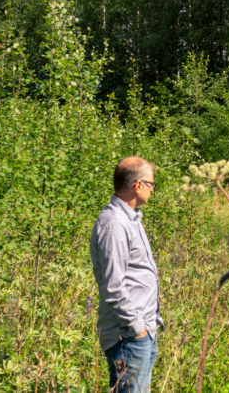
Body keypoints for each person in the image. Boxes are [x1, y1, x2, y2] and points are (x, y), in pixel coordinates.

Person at [90, 156, 162, 393]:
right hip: (128, 338)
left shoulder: (130, 218)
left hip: (141, 333)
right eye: (151, 184)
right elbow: (114, 287)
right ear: (137, 185)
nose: (153, 190)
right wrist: (137, 329)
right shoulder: (115, 224)